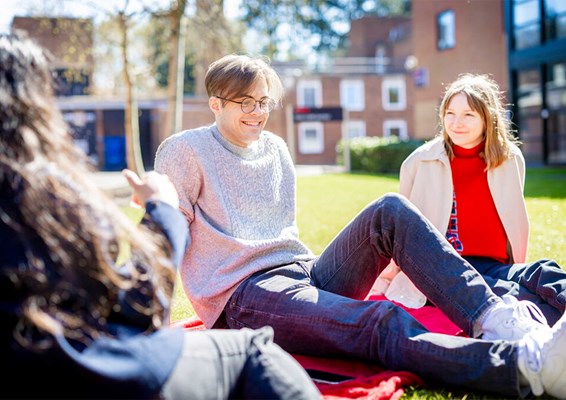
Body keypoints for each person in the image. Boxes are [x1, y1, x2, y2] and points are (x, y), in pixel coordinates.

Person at [154, 53, 566, 399]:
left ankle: (497, 319)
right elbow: (167, 231)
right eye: (245, 102)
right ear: (215, 103)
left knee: (390, 211)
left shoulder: (276, 149)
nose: (258, 112)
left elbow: (281, 235)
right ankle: (525, 366)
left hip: (302, 274)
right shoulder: (184, 150)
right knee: (380, 319)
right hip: (243, 296)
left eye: (263, 101)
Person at [0, 33, 321, 400]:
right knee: (255, 351)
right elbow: (138, 312)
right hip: (85, 376)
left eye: (262, 102)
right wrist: (163, 211)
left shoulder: (274, 150)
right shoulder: (46, 200)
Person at [374, 73, 566, 326]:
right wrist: (387, 279)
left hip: (494, 266)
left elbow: (513, 222)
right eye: (450, 113)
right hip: (443, 269)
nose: (456, 123)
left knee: (546, 273)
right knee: (515, 296)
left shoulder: (509, 160)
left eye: (468, 115)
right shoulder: (419, 162)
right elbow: (401, 232)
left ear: (487, 118)